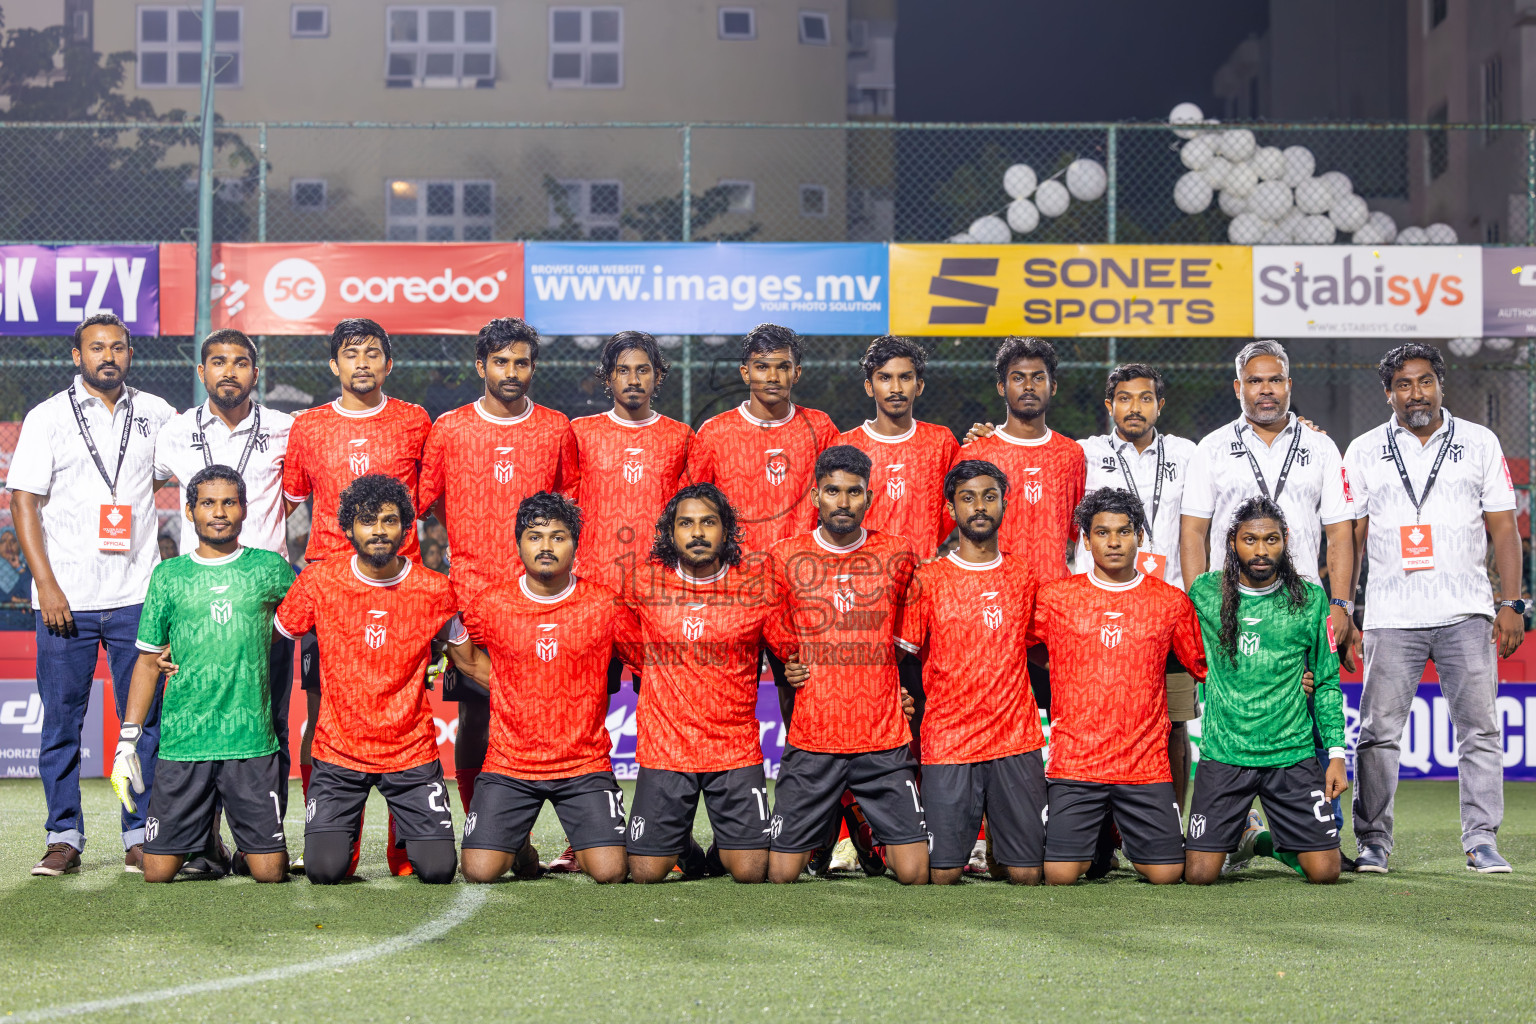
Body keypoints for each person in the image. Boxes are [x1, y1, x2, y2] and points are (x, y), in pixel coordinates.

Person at [1343, 343, 1524, 874]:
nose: (1415, 393)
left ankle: (1481, 839)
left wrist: (1511, 602)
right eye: (1403, 384)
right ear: (1388, 393)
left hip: (1466, 610)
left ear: (1440, 385)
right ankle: (1374, 842)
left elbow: (1504, 529)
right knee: (1378, 734)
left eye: (1424, 382)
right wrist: (1345, 608)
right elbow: (1351, 537)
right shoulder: (1365, 449)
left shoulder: (1478, 441)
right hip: (1390, 615)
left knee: (1480, 731)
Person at [10, 313, 175, 876]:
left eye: (119, 348)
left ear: (131, 355)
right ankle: (64, 837)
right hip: (66, 600)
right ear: (76, 356)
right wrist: (48, 585)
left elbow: (182, 476)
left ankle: (138, 832)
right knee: (61, 723)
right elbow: (23, 502)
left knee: (143, 724)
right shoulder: (47, 417)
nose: (109, 356)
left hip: (138, 596)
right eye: (96, 348)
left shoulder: (157, 414)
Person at [1179, 339, 1357, 860]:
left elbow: (1339, 532)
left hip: (1303, 607)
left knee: (1313, 701)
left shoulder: (1321, 446)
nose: (1265, 390)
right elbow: (1194, 533)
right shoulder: (1212, 446)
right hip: (1237, 606)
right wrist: (1201, 607)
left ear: (1289, 386)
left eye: (1274, 380)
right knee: (1235, 718)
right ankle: (1234, 830)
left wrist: (1342, 604)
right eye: (1254, 381)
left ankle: (1314, 835)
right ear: (1239, 388)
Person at [282, 318, 431, 876]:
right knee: (322, 715)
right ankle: (329, 839)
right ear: (334, 365)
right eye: (351, 354)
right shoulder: (309, 426)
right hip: (331, 595)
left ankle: (407, 849)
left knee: (406, 707)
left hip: (401, 591)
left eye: (373, 353)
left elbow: (428, 498)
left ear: (389, 364)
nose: (362, 363)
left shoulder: (415, 421)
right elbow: (290, 500)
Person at [417, 317, 580, 819]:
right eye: (501, 362)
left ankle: (573, 832)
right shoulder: (449, 428)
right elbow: (424, 504)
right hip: (473, 596)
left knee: (557, 715)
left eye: (522, 362)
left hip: (545, 597)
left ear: (534, 367)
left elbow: (570, 509)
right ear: (481, 365)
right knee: (477, 716)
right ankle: (476, 818)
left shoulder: (556, 428)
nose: (512, 371)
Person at [110, 465, 295, 883]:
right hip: (184, 741)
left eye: (229, 502)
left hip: (248, 740)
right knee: (156, 873)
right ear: (190, 511)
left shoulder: (270, 569)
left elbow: (308, 619)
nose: (219, 511)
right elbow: (145, 661)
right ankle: (208, 842)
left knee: (269, 873)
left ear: (244, 510)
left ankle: (240, 846)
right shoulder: (168, 576)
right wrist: (128, 741)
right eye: (208, 503)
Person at [274, 474, 460, 885]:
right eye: (367, 520)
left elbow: (469, 659)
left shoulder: (434, 589)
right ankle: (337, 836)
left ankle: (409, 834)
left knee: (439, 870)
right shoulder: (319, 582)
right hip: (339, 754)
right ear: (347, 528)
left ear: (405, 526)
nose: (378, 530)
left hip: (410, 753)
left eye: (389, 520)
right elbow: (275, 635)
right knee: (324, 871)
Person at [449, 493, 636, 885]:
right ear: (518, 543)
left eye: (558, 536)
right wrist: (502, 684)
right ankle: (519, 847)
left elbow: (646, 657)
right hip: (510, 765)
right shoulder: (492, 604)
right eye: (535, 537)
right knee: (479, 872)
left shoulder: (604, 605)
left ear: (575, 544)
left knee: (611, 872)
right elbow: (466, 657)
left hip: (582, 765)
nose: (546, 546)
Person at [621, 483, 801, 884]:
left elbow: (790, 649)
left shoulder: (756, 586)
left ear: (727, 529)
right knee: (647, 873)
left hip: (733, 748)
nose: (697, 533)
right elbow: (629, 647)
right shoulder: (642, 583)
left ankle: (727, 844)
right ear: (671, 532)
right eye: (686, 523)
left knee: (752, 872)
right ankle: (679, 844)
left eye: (708, 522)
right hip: (666, 748)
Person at [766, 445, 929, 886]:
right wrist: (794, 665)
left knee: (914, 873)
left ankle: (861, 816)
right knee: (780, 874)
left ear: (870, 498)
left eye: (854, 492)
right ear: (815, 495)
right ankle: (837, 812)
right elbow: (781, 638)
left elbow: (902, 640)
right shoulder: (783, 557)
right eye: (833, 491)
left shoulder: (898, 554)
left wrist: (877, 680)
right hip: (813, 736)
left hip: (881, 736)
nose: (843, 502)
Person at [153, 329, 297, 828]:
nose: (228, 371)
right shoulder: (172, 433)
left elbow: (297, 496)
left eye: (240, 363)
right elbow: (133, 500)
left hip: (266, 604)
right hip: (197, 602)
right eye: (217, 361)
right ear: (201, 372)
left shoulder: (285, 428)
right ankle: (201, 840)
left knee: (270, 721)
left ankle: (265, 834)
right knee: (201, 722)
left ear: (255, 374)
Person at [1035, 488, 1206, 886]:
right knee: (1060, 876)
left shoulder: (1170, 601)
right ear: (1086, 538)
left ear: (1140, 538)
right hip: (1077, 763)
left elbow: (1203, 664)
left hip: (1144, 765)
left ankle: (1125, 837)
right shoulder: (1056, 598)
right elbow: (1016, 648)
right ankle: (1094, 841)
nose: (1113, 542)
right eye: (1102, 532)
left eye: (1124, 532)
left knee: (1166, 875)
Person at [894, 460, 1046, 885]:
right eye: (968, 498)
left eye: (990, 496)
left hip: (1015, 737)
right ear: (950, 508)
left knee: (1028, 875)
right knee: (940, 875)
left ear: (1004, 503)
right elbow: (902, 654)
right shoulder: (928, 578)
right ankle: (889, 844)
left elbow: (1043, 648)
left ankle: (1001, 846)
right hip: (950, 738)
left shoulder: (1024, 574)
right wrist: (901, 699)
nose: (979, 506)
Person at [1184, 497, 1346, 885]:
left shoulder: (1308, 599)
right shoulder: (1205, 592)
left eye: (1271, 540)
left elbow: (1325, 680)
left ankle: (1256, 838)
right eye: (1250, 540)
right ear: (1232, 543)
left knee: (1325, 872)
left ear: (1285, 540)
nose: (1261, 550)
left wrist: (1337, 754)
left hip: (1291, 753)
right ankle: (1243, 834)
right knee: (1199, 876)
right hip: (1226, 753)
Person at [685, 324, 839, 723]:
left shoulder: (820, 428)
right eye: (762, 367)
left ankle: (805, 786)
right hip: (735, 592)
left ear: (797, 373)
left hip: (804, 592)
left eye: (782, 367)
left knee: (806, 713)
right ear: (744, 373)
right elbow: (696, 515)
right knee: (725, 709)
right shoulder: (715, 433)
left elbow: (842, 498)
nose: (772, 377)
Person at [1078, 363, 1201, 810]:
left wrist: (1299, 429)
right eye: (1124, 399)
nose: (1135, 407)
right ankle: (1103, 835)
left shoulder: (1189, 454)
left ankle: (1174, 824)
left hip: (1168, 612)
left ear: (1160, 405)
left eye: (1145, 398)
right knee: (1099, 718)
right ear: (1109, 405)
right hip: (1100, 612)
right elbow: (1030, 455)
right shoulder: (1082, 454)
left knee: (1174, 723)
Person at [571, 330, 692, 690]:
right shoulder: (579, 433)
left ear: (658, 375)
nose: (634, 379)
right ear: (608, 376)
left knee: (660, 706)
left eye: (643, 370)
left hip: (657, 595)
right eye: (623, 370)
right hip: (593, 592)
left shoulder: (682, 437)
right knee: (586, 706)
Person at [836, 336, 960, 558]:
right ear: (869, 386)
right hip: (862, 572)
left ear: (919, 385)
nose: (895, 388)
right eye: (884, 378)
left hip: (921, 572)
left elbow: (955, 504)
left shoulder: (940, 441)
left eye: (905, 377)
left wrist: (927, 543)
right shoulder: (845, 444)